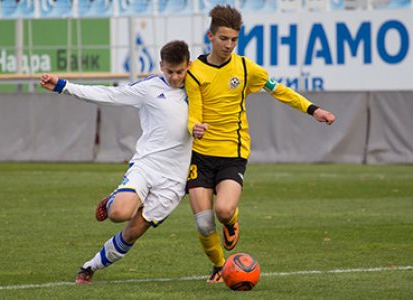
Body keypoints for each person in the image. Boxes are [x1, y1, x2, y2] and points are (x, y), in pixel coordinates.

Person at [185, 5, 336, 283]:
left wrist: (313, 109)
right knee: (204, 223)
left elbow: (278, 90)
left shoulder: (244, 67)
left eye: (233, 40)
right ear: (211, 36)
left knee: (223, 211)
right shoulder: (194, 72)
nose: (229, 45)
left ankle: (231, 221)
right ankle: (220, 266)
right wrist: (194, 126)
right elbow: (193, 111)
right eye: (223, 39)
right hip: (200, 155)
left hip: (233, 153)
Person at [40, 40, 192, 284]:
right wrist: (63, 86)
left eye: (180, 72)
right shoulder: (149, 88)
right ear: (161, 66)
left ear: (189, 65)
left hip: (174, 179)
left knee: (132, 232)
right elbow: (108, 95)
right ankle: (113, 199)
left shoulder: (199, 88)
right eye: (170, 71)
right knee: (119, 213)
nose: (175, 77)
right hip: (147, 165)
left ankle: (89, 267)